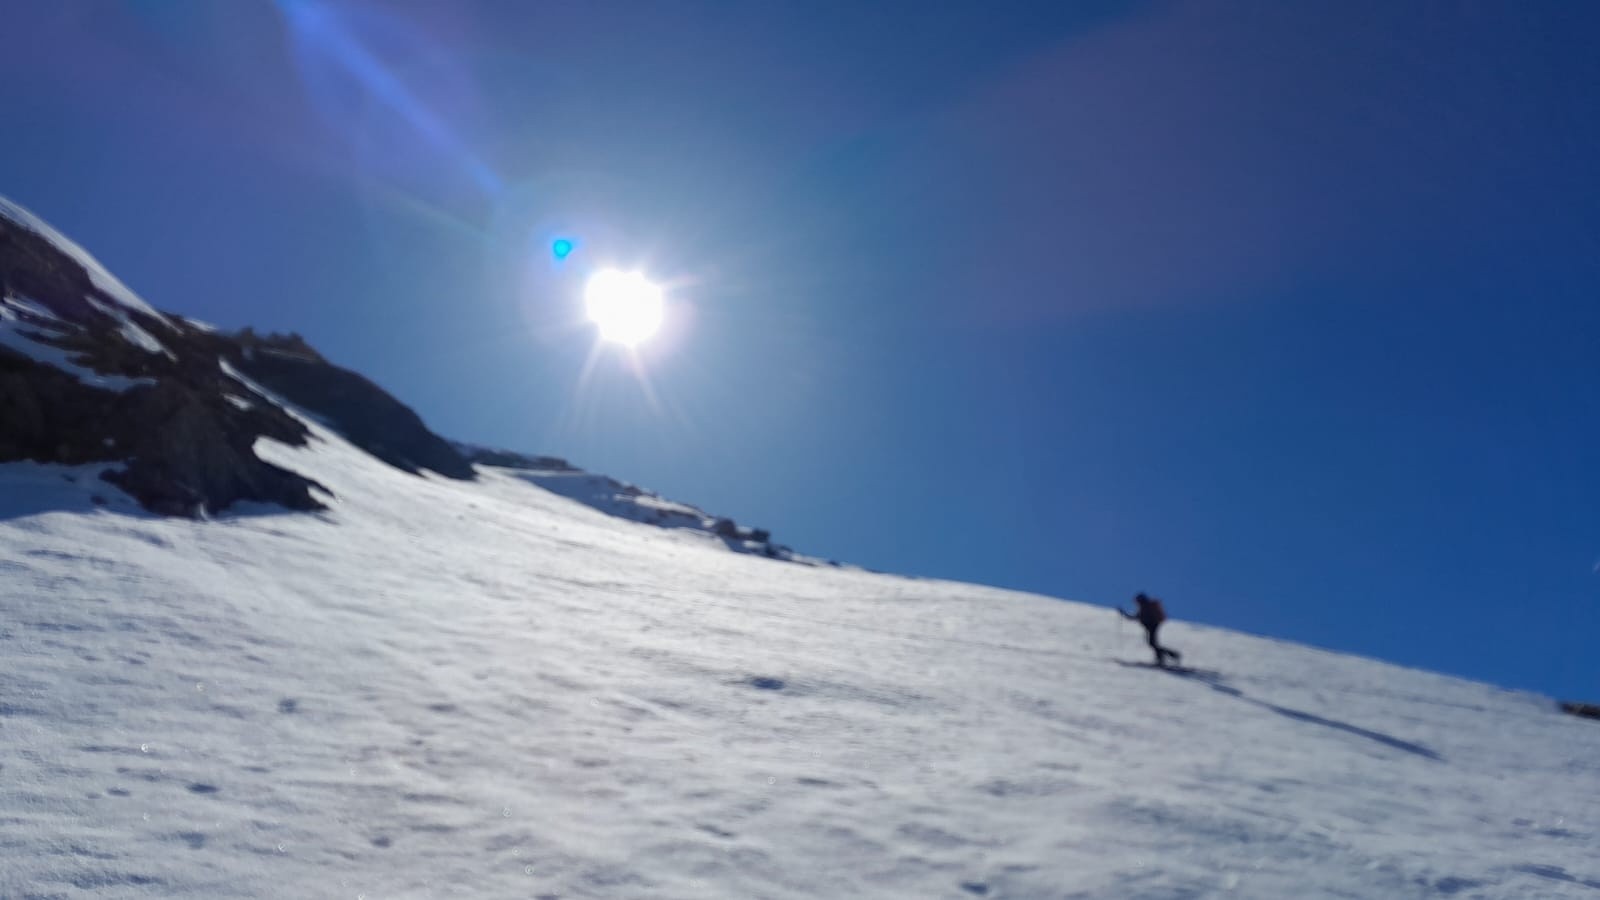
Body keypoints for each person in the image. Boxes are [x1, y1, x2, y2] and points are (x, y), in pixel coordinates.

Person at [1122, 592, 1182, 667]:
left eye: (1137, 601)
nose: (1136, 603)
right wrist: (1124, 613)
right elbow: (1136, 617)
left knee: (1152, 643)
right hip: (1152, 626)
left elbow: (1135, 617)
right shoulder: (1145, 607)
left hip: (1152, 626)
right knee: (1153, 643)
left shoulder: (1144, 607)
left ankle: (1171, 655)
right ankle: (1165, 657)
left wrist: (1124, 613)